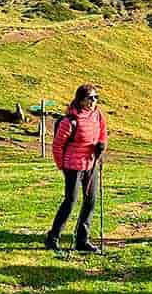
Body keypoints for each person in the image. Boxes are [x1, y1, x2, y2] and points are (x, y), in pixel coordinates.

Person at [45, 84, 107, 253]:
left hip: (91, 163)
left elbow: (102, 133)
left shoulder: (97, 115)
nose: (93, 101)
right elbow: (57, 146)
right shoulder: (69, 120)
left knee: (91, 201)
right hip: (73, 166)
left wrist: (101, 147)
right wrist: (61, 166)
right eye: (90, 98)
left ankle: (82, 240)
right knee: (70, 201)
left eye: (96, 97)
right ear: (80, 100)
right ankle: (52, 238)